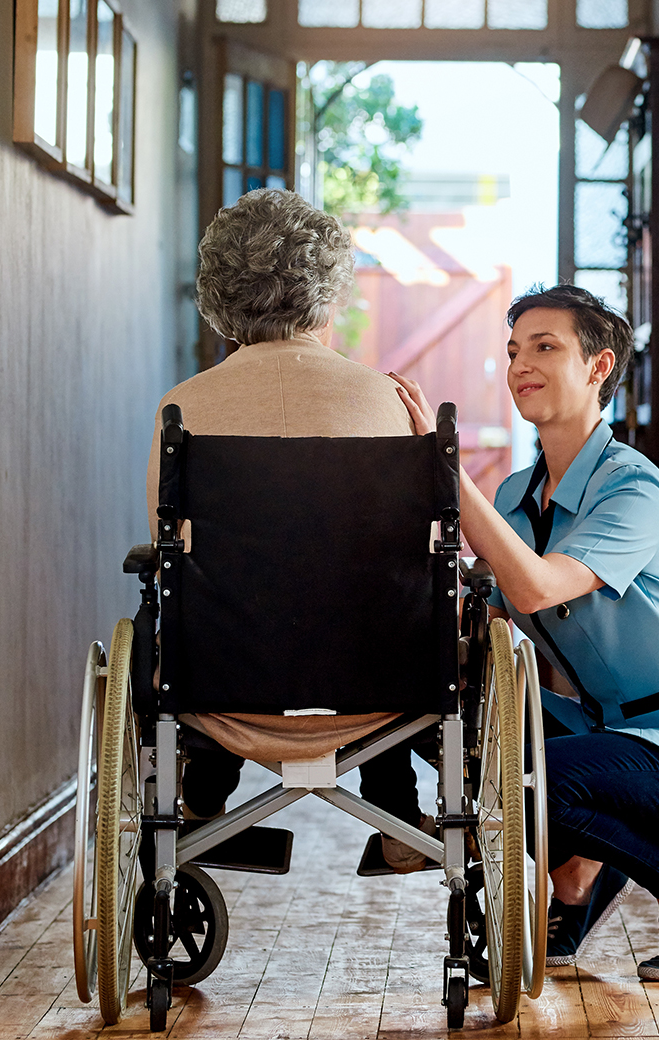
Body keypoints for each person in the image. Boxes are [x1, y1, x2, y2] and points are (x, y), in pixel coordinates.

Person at [393, 284, 659, 981]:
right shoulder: (514, 497)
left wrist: (443, 468)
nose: (519, 365)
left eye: (544, 347)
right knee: (461, 727)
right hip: (611, 737)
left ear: (599, 368)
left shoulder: (634, 490)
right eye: (512, 351)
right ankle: (576, 877)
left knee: (528, 778)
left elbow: (535, 585)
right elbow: (497, 620)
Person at [146, 188, 433, 870]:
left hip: (224, 682)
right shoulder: (389, 402)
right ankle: (396, 815)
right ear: (329, 292)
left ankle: (203, 800)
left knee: (203, 601)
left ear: (219, 292)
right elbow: (413, 556)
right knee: (390, 604)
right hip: (377, 682)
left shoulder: (182, 409)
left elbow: (170, 549)